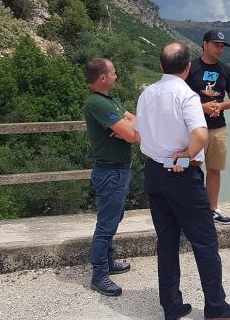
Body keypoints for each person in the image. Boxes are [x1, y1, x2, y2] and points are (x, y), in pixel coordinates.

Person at [136, 42, 230, 320]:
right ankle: (216, 306)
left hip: (153, 171)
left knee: (167, 242)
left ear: (160, 66)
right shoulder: (186, 96)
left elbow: (139, 134)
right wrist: (183, 157)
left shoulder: (146, 94)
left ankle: (171, 306)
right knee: (205, 241)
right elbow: (201, 136)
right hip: (181, 174)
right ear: (187, 68)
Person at [83, 58, 139, 297]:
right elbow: (133, 134)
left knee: (113, 219)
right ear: (103, 77)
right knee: (106, 225)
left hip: (117, 170)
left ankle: (108, 261)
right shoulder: (98, 103)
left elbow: (135, 123)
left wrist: (128, 128)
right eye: (114, 73)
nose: (117, 76)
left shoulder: (109, 100)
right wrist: (127, 129)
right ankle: (99, 275)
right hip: (110, 171)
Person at [185, 30, 230, 225]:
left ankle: (212, 209)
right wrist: (203, 107)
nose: (220, 49)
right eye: (216, 45)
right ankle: (191, 208)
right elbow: (180, 99)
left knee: (214, 169)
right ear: (205, 44)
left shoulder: (225, 69)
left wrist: (220, 106)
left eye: (222, 46)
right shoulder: (190, 68)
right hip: (193, 129)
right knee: (191, 168)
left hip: (218, 127)